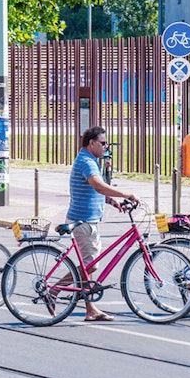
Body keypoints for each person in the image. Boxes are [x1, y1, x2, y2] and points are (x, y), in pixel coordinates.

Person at [57, 126, 139, 322]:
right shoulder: (87, 162)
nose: (105, 147)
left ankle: (90, 309)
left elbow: (93, 191)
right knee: (91, 266)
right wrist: (125, 194)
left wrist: (112, 201)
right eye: (102, 143)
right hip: (83, 221)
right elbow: (97, 185)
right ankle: (54, 290)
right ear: (91, 143)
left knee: (89, 267)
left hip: (86, 219)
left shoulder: (89, 160)